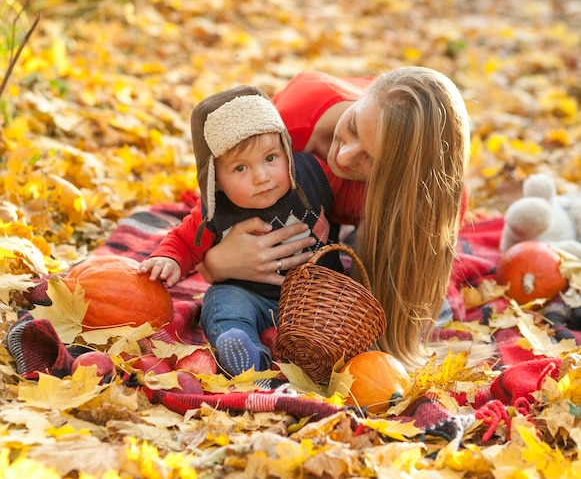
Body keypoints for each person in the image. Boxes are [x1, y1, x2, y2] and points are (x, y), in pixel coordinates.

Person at [199, 68, 471, 369]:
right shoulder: (290, 118)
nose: (342, 157)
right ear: (360, 98)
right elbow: (213, 203)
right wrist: (216, 264)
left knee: (423, 310)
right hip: (290, 220)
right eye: (353, 125)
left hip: (339, 237)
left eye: (370, 160)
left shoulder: (430, 201)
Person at [138, 85, 342, 376]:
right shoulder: (216, 209)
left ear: (286, 150)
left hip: (317, 294)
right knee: (221, 303)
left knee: (338, 311)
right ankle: (248, 354)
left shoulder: (314, 174)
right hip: (252, 296)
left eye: (271, 158)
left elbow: (359, 194)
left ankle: (304, 349)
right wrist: (169, 260)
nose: (261, 177)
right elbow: (183, 241)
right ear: (215, 180)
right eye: (240, 169)